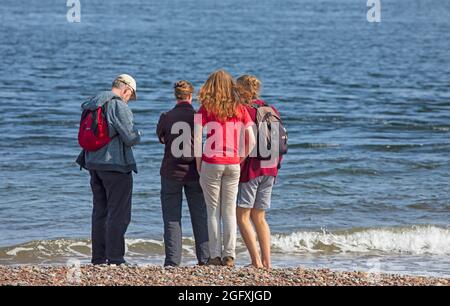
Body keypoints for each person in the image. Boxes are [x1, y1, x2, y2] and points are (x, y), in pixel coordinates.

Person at [76, 74, 141, 265]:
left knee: (100, 211)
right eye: (130, 95)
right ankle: (116, 258)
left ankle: (98, 257)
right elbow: (130, 137)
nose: (129, 99)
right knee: (119, 213)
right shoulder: (118, 105)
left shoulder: (92, 103)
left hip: (93, 163)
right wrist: (139, 134)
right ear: (126, 90)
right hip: (115, 165)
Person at [195, 70, 255, 267]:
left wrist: (198, 163)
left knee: (212, 211)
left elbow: (196, 139)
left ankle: (214, 256)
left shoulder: (205, 108)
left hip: (211, 162)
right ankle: (229, 256)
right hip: (232, 164)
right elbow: (252, 140)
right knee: (229, 211)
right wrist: (240, 157)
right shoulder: (240, 109)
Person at [156, 80, 209, 267]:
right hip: (195, 173)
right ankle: (204, 258)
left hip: (171, 172)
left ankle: (172, 261)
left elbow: (162, 138)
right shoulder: (197, 116)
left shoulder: (166, 116)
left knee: (171, 217)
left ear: (175, 95)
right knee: (200, 216)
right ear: (190, 96)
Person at [235, 75, 282, 269]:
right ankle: (267, 262)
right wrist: (276, 168)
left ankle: (255, 262)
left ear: (240, 90)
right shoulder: (271, 110)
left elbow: (240, 142)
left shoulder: (242, 110)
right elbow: (280, 140)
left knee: (242, 215)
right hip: (270, 168)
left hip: (251, 169)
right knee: (260, 217)